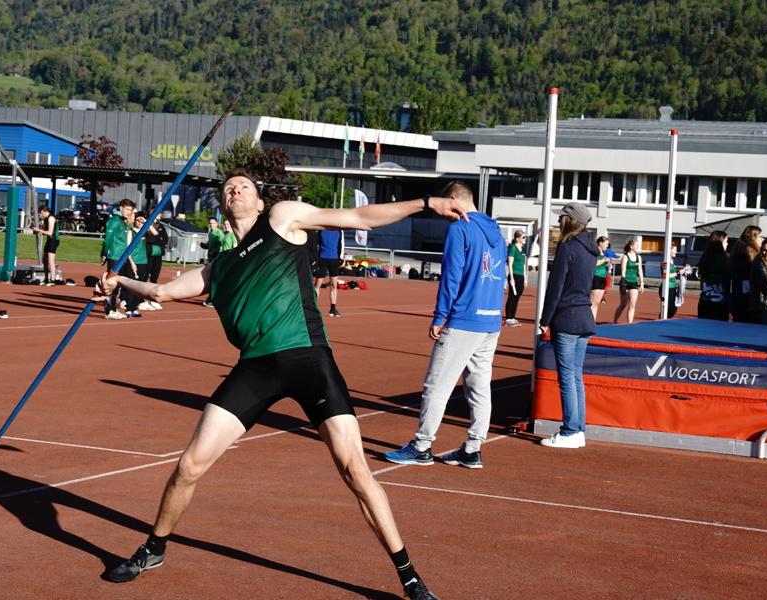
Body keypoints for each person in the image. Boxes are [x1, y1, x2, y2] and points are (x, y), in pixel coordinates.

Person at [95, 168, 466, 600]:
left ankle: (410, 579)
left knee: (354, 469)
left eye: (245, 187)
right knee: (189, 465)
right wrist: (118, 280)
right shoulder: (221, 266)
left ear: (258, 201)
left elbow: (360, 218)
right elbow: (162, 293)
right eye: (229, 188)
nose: (236, 190)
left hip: (308, 359)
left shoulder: (283, 219)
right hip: (255, 368)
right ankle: (154, 549)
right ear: (222, 204)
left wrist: (426, 204)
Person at [383, 181, 506, 470]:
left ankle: (422, 445)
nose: (443, 213)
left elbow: (451, 276)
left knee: (437, 385)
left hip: (464, 319)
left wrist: (440, 316)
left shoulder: (460, 229)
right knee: (479, 387)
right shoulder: (497, 232)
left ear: (453, 200)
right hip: (490, 320)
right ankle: (472, 449)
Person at [537, 202, 597, 449]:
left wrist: (544, 320)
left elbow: (556, 287)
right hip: (584, 317)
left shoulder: (567, 246)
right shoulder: (591, 249)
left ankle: (570, 430)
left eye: (561, 217)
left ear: (570, 220)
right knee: (576, 377)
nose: (558, 221)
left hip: (567, 318)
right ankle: (577, 429)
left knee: (567, 378)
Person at [100, 199, 137, 320]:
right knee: (111, 285)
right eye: (127, 209)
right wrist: (104, 254)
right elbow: (107, 239)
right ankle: (109, 310)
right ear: (121, 208)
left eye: (131, 210)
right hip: (115, 257)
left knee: (120, 285)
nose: (129, 212)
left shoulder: (123, 222)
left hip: (122, 258)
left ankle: (114, 308)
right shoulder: (114, 221)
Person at [728, 225, 763, 323]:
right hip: (746, 301)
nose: (762, 239)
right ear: (753, 238)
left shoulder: (737, 252)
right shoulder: (748, 255)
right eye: (760, 237)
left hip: (737, 299)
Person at [695, 231, 730, 321]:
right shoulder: (724, 260)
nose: (727, 244)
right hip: (720, 302)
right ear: (720, 242)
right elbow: (727, 282)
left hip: (704, 301)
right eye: (726, 241)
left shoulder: (705, 258)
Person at [137, 213, 168, 311]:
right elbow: (150, 239)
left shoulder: (161, 226)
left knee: (154, 278)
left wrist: (157, 239)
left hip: (158, 255)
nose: (159, 216)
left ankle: (153, 300)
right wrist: (157, 239)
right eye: (158, 214)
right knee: (144, 277)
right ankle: (140, 300)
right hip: (148, 255)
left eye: (160, 214)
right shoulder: (146, 226)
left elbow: (165, 240)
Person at [612, 238, 645, 324]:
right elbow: (623, 272)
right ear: (631, 247)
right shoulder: (625, 257)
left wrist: (642, 284)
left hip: (634, 282)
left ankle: (629, 323)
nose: (638, 247)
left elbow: (640, 271)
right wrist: (623, 285)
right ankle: (614, 321)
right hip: (625, 282)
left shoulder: (638, 257)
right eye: (637, 245)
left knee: (632, 305)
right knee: (623, 304)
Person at [315, 228, 344, 317]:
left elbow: (340, 245)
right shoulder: (320, 230)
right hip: (322, 259)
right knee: (318, 283)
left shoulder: (339, 231)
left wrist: (340, 258)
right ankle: (314, 308)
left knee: (334, 284)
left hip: (334, 259)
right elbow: (316, 245)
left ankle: (333, 309)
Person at [125, 212, 149, 318]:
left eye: (141, 221)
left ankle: (135, 308)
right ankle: (129, 308)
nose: (139, 223)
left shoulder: (145, 232)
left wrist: (146, 222)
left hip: (143, 261)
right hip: (133, 262)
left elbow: (155, 233)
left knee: (140, 287)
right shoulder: (130, 232)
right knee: (131, 286)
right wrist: (131, 262)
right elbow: (128, 248)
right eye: (138, 220)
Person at [31, 205, 60, 286]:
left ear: (45, 211)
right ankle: (46, 279)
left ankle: (53, 280)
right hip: (49, 240)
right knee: (44, 261)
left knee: (51, 261)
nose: (41, 215)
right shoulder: (47, 219)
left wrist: (39, 230)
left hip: (53, 240)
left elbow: (50, 232)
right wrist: (41, 231)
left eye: (41, 213)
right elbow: (47, 232)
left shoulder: (51, 218)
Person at [504, 230, 527, 326]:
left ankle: (513, 317)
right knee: (512, 296)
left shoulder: (523, 250)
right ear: (517, 239)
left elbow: (524, 265)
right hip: (515, 274)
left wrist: (525, 278)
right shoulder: (513, 248)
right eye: (523, 237)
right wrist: (511, 278)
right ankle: (508, 318)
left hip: (521, 275)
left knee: (517, 297)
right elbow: (510, 264)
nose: (525, 239)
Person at [658, 245, 687, 319]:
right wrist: (678, 273)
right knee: (666, 309)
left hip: (672, 287)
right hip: (666, 287)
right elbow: (665, 275)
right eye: (674, 250)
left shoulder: (672, 260)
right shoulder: (665, 261)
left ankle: (664, 321)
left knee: (673, 308)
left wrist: (681, 271)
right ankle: (660, 322)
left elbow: (673, 272)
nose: (676, 252)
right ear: (669, 251)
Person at [589, 236, 611, 320]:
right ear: (600, 243)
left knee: (597, 302)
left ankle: (593, 320)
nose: (607, 246)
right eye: (606, 243)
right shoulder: (595, 253)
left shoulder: (603, 254)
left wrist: (609, 266)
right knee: (592, 302)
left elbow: (603, 265)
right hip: (596, 277)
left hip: (602, 277)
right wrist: (604, 260)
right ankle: (589, 321)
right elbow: (594, 263)